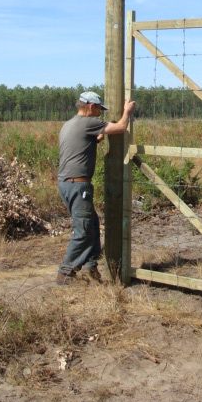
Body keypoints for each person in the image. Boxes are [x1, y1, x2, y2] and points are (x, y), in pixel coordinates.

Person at [56, 90, 136, 285]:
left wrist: (98, 137)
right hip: (78, 185)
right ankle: (65, 273)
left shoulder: (70, 124)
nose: (100, 112)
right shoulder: (89, 123)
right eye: (99, 108)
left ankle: (90, 266)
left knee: (91, 224)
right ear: (90, 106)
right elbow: (121, 127)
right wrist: (127, 111)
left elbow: (87, 140)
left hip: (67, 184)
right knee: (83, 231)